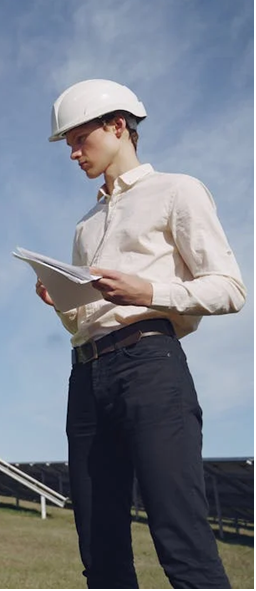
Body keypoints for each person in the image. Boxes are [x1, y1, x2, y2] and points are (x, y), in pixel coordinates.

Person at [37, 78, 246, 589]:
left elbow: (230, 289)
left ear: (118, 127)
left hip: (150, 366)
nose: (72, 152)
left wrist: (148, 291)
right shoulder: (85, 225)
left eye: (79, 138)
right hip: (86, 376)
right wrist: (63, 303)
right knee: (99, 545)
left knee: (180, 537)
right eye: (67, 142)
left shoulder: (177, 190)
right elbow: (89, 315)